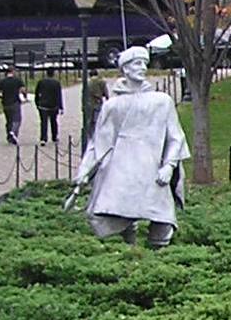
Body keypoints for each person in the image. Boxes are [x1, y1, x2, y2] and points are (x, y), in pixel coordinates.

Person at [73, 47, 189, 247]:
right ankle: (130, 254)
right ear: (125, 69)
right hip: (121, 172)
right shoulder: (113, 106)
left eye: (144, 63)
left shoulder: (162, 101)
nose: (142, 67)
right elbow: (99, 143)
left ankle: (158, 263)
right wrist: (83, 171)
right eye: (137, 63)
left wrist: (169, 166)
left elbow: (175, 138)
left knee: (163, 221)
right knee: (119, 216)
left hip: (152, 171)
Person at [0, 66, 25, 145]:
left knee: (8, 121)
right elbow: (23, 90)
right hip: (15, 102)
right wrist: (24, 96)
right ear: (13, 72)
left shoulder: (2, 81)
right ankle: (13, 132)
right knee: (17, 119)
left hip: (5, 103)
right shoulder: (18, 80)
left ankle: (9, 137)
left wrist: (1, 97)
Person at [34, 72, 63, 145]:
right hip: (53, 105)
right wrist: (61, 106)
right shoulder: (56, 83)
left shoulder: (41, 82)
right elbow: (59, 95)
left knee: (43, 122)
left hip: (43, 105)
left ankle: (43, 138)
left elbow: (37, 93)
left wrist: (37, 103)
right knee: (54, 121)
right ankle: (54, 136)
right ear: (53, 74)